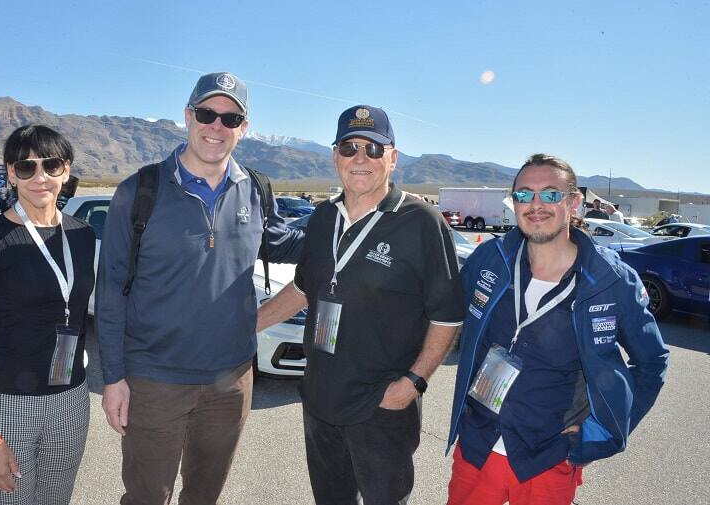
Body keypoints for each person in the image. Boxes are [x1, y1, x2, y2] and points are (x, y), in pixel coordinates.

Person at [96, 72, 304, 505]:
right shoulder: (140, 191)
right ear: (188, 116)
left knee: (204, 496)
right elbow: (112, 290)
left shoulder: (256, 191)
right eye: (207, 114)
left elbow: (288, 244)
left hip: (230, 381)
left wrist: (358, 217)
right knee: (146, 497)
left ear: (243, 129)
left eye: (230, 119)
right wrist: (114, 378)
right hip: (154, 380)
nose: (216, 126)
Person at [257, 105, 465, 505]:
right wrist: (246, 326)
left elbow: (446, 316)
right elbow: (303, 289)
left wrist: (414, 384)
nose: (360, 158)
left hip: (381, 406)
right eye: (350, 147)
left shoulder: (421, 221)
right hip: (320, 400)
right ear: (335, 155)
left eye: (373, 148)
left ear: (393, 158)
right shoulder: (322, 218)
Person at [445, 154, 669, 505]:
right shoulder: (489, 260)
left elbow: (653, 362)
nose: (536, 205)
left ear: (573, 201)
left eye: (550, 194)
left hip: (548, 458)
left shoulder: (611, 280)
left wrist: (601, 432)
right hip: (478, 443)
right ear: (513, 202)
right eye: (524, 195)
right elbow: (443, 317)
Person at [0, 125, 96, 504]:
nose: (40, 178)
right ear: (10, 172)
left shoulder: (82, 235)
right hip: (7, 405)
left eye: (50, 166)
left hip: (71, 399)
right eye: (26, 167)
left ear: (66, 170)